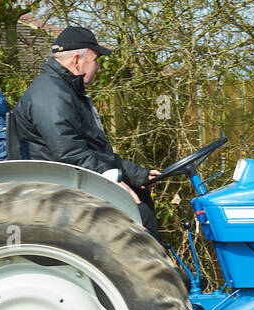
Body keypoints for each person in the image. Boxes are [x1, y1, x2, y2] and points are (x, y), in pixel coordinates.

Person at [13, 25, 161, 235]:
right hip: (56, 189)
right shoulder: (50, 95)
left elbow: (91, 152)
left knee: (141, 197)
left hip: (70, 178)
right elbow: (69, 154)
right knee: (139, 213)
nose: (98, 67)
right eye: (95, 60)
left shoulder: (64, 91)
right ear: (77, 60)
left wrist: (136, 174)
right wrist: (113, 182)